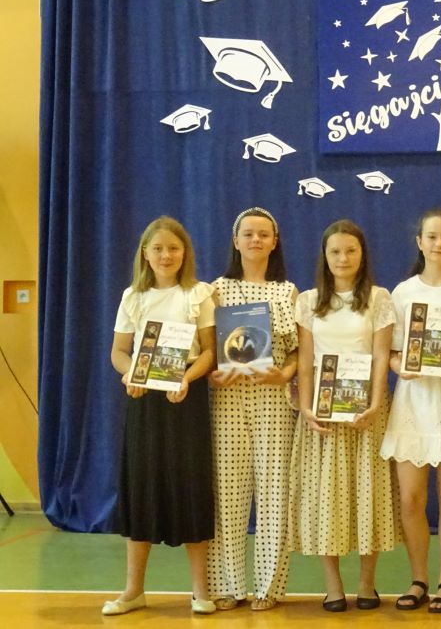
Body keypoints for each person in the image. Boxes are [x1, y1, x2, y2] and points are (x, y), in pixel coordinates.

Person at [286, 219, 401, 611]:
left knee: (369, 494)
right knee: (326, 498)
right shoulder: (307, 301)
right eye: (335, 251)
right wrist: (306, 406)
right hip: (322, 411)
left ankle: (367, 583)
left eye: (351, 250)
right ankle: (333, 585)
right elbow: (305, 360)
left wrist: (375, 402)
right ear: (324, 255)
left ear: (362, 254)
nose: (343, 258)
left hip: (366, 410)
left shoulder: (379, 298)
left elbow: (382, 356)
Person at [105, 216, 217, 616]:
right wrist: (130, 375)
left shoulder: (199, 294)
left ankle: (200, 591)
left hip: (186, 398)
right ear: (145, 253)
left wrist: (186, 378)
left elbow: (209, 351)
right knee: (142, 487)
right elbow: (119, 353)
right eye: (158, 248)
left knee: (191, 487)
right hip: (144, 400)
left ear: (185, 252)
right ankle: (133, 590)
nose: (166, 255)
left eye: (173, 248)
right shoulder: (132, 297)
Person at [380, 208, 441, 614]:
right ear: (419, 242)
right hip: (412, 404)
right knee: (410, 499)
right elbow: (392, 351)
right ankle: (418, 578)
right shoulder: (402, 293)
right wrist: (399, 366)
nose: (439, 244)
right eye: (432, 237)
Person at [205, 207, 298, 611]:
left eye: (263, 234)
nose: (256, 240)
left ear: (274, 242)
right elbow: (206, 348)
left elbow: (298, 352)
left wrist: (285, 374)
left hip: (274, 400)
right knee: (227, 494)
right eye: (248, 234)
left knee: (275, 493)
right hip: (228, 400)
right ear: (236, 240)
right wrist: (212, 374)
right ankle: (227, 585)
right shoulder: (216, 290)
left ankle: (268, 588)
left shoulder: (288, 292)